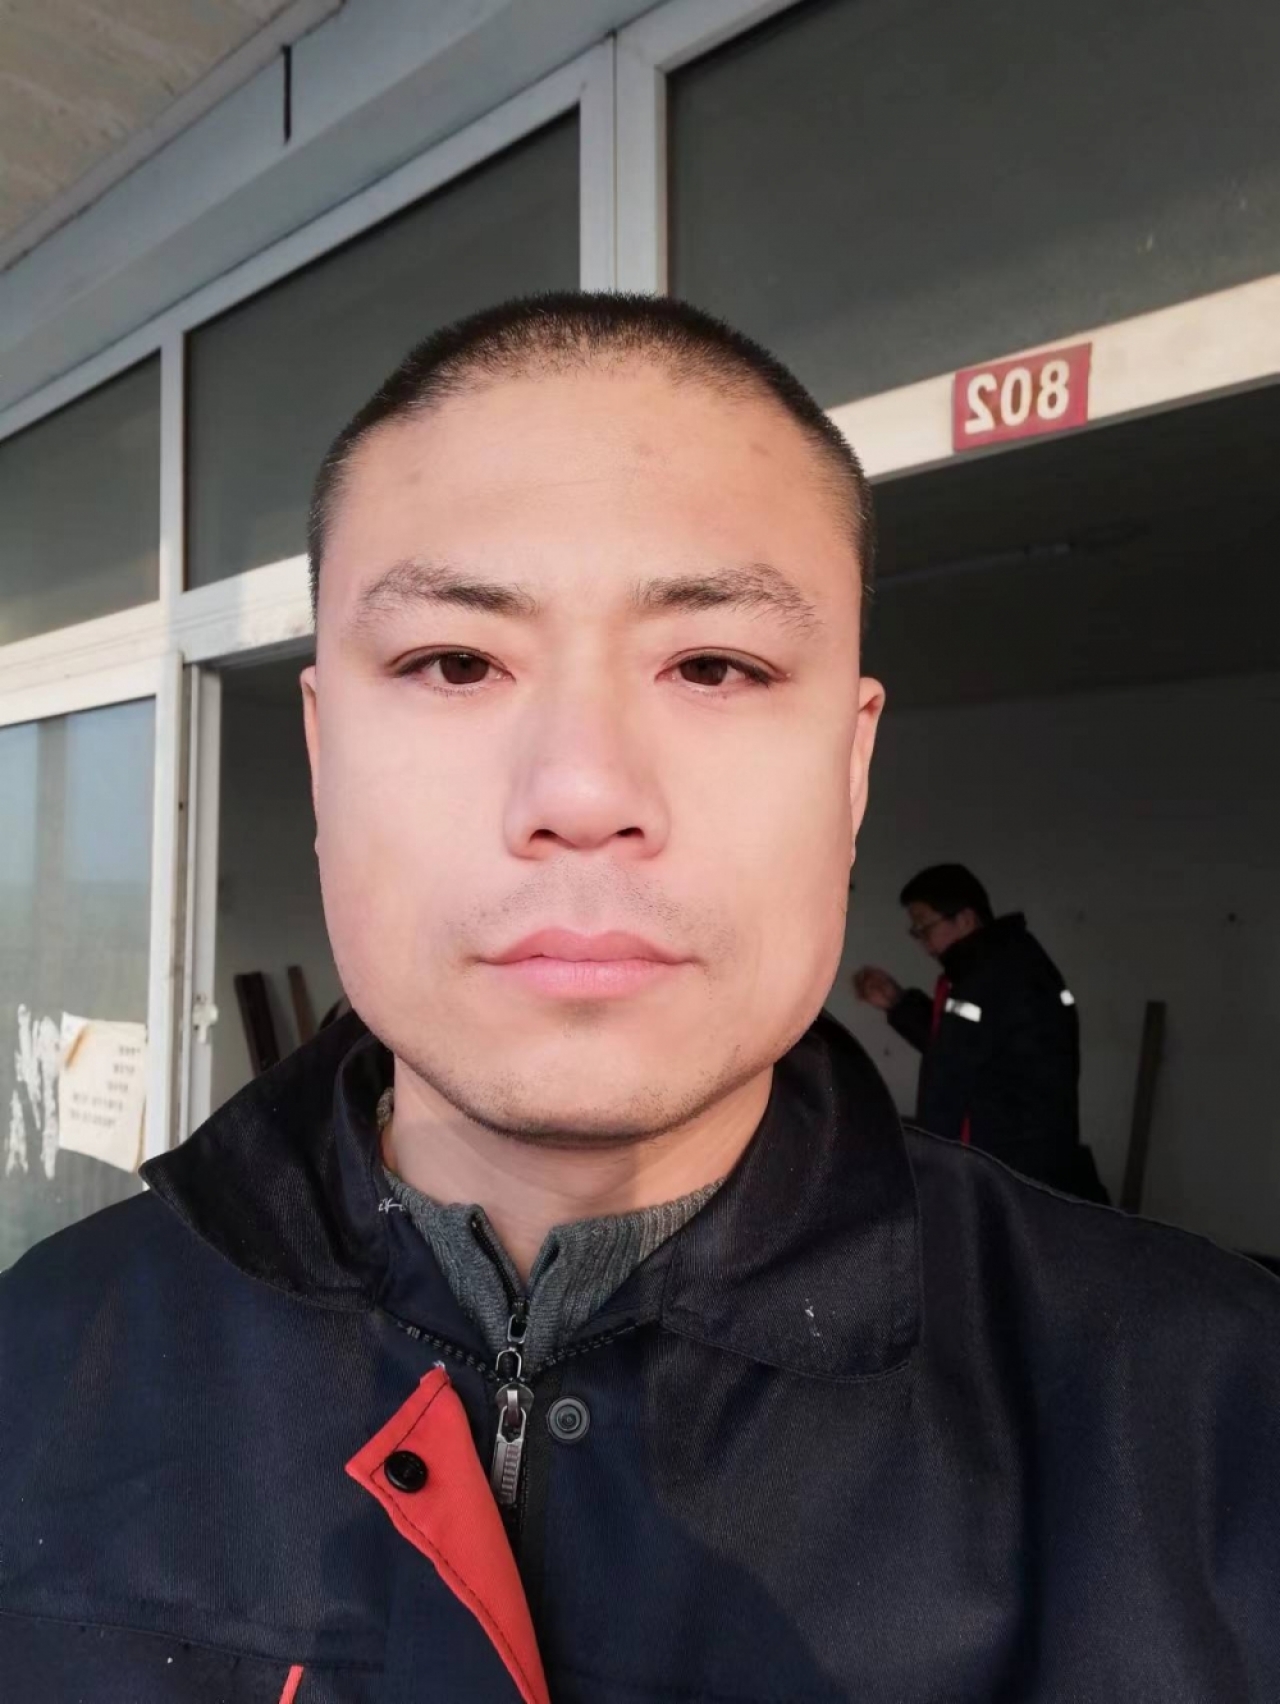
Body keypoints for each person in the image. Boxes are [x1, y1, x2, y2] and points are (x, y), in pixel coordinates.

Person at [1, 295, 1277, 1703]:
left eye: (714, 665)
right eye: (454, 662)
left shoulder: (1211, 1430)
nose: (583, 791)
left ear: (852, 767)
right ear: (322, 752)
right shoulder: (36, 1368)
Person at [854, 863, 1107, 1198]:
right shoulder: (988, 969)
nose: (923, 943)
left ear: (965, 919)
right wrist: (898, 1003)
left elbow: (963, 1064)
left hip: (1012, 1172)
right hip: (995, 1167)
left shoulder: (1005, 974)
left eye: (924, 927)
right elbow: (963, 1047)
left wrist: (940, 1170)